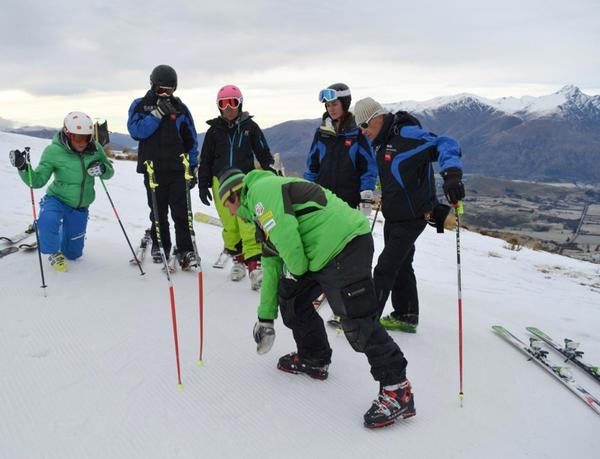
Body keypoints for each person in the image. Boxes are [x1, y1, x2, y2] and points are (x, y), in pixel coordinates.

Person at [217, 168, 416, 429]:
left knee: (356, 317)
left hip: (345, 244)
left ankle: (397, 389)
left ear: (236, 192)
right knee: (291, 298)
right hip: (317, 252)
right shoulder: (259, 216)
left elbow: (287, 239)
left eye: (228, 204)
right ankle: (314, 357)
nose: (231, 212)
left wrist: (297, 272)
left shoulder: (261, 191)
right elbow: (273, 265)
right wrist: (265, 319)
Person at [354, 97, 465, 333]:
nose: (363, 132)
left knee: (385, 267)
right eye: (359, 128)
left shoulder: (408, 135)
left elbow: (447, 142)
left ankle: (365, 324)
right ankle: (406, 315)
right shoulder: (381, 140)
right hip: (394, 214)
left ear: (377, 117)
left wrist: (452, 173)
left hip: (414, 215)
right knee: (403, 264)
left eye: (364, 125)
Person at [9, 111, 114, 272]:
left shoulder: (95, 149)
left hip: (80, 206)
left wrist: (102, 168)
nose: (82, 142)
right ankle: (51, 246)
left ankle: (56, 232)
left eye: (86, 137)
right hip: (56, 199)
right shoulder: (53, 151)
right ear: (67, 133)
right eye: (77, 137)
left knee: (73, 254)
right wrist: (23, 168)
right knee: (48, 220)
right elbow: (37, 181)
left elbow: (109, 172)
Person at [197, 84, 275, 290]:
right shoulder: (214, 131)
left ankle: (254, 266)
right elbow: (205, 159)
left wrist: (272, 172)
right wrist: (203, 184)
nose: (228, 108)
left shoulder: (251, 128)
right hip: (219, 183)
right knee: (230, 226)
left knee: (248, 223)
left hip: (244, 182)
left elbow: (264, 153)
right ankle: (238, 261)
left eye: (233, 103)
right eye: (223, 104)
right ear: (219, 107)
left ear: (240, 104)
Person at [127, 64, 199, 270]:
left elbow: (191, 139)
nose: (166, 94)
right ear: (153, 85)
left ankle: (186, 250)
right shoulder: (141, 105)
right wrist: (157, 114)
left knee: (181, 212)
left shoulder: (181, 109)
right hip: (152, 169)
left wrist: (192, 167)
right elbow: (137, 131)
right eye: (161, 90)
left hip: (177, 170)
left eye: (170, 90)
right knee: (158, 211)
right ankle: (160, 244)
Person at [304, 83, 377, 215]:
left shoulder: (357, 133)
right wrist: (306, 190)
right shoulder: (321, 133)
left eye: (335, 104)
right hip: (322, 199)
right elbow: (312, 166)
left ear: (344, 103)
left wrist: (366, 195)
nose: (331, 109)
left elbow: (368, 167)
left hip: (349, 200)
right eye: (328, 105)